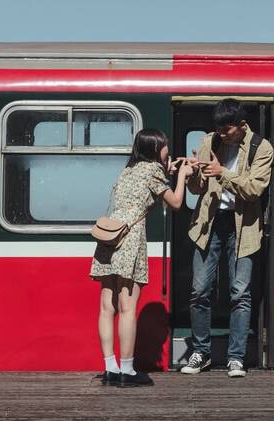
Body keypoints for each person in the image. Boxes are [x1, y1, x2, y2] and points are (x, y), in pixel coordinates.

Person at [90, 128, 194, 387]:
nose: (168, 148)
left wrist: (166, 172)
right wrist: (181, 175)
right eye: (165, 144)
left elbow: (142, 189)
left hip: (110, 237)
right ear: (155, 148)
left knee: (106, 307)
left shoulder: (128, 171)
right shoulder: (153, 171)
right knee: (127, 308)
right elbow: (177, 202)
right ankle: (127, 371)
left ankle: (110, 368)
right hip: (131, 239)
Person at [181, 99, 274, 378]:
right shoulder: (210, 141)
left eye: (227, 129)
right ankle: (201, 352)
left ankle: (236, 357)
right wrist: (193, 171)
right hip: (208, 223)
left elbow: (254, 189)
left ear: (240, 124)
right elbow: (198, 189)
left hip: (243, 226)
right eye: (218, 128)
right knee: (199, 291)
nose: (222, 134)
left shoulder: (261, 147)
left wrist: (222, 173)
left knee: (240, 293)